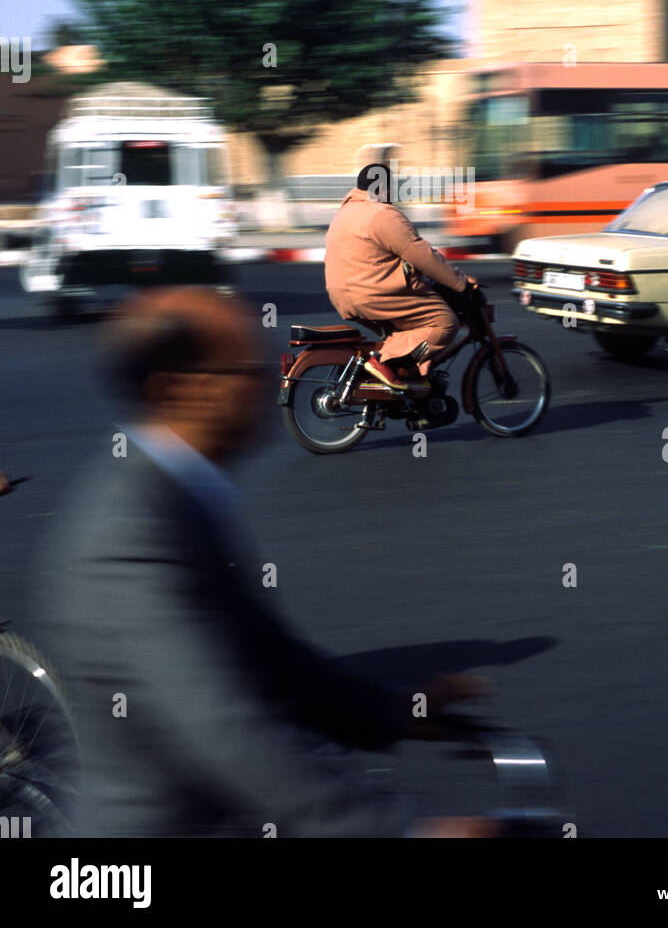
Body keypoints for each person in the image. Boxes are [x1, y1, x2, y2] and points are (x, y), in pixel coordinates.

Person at [41, 287, 493, 837]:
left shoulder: (184, 495)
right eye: (243, 370)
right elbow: (222, 728)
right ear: (178, 390)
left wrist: (396, 714)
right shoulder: (130, 533)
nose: (262, 386)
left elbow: (275, 662)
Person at [325, 164, 477, 390]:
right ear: (383, 188)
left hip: (342, 296)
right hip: (374, 293)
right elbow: (421, 254)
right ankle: (383, 362)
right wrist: (460, 283)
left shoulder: (344, 213)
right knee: (445, 322)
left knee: (406, 333)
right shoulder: (381, 214)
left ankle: (411, 387)